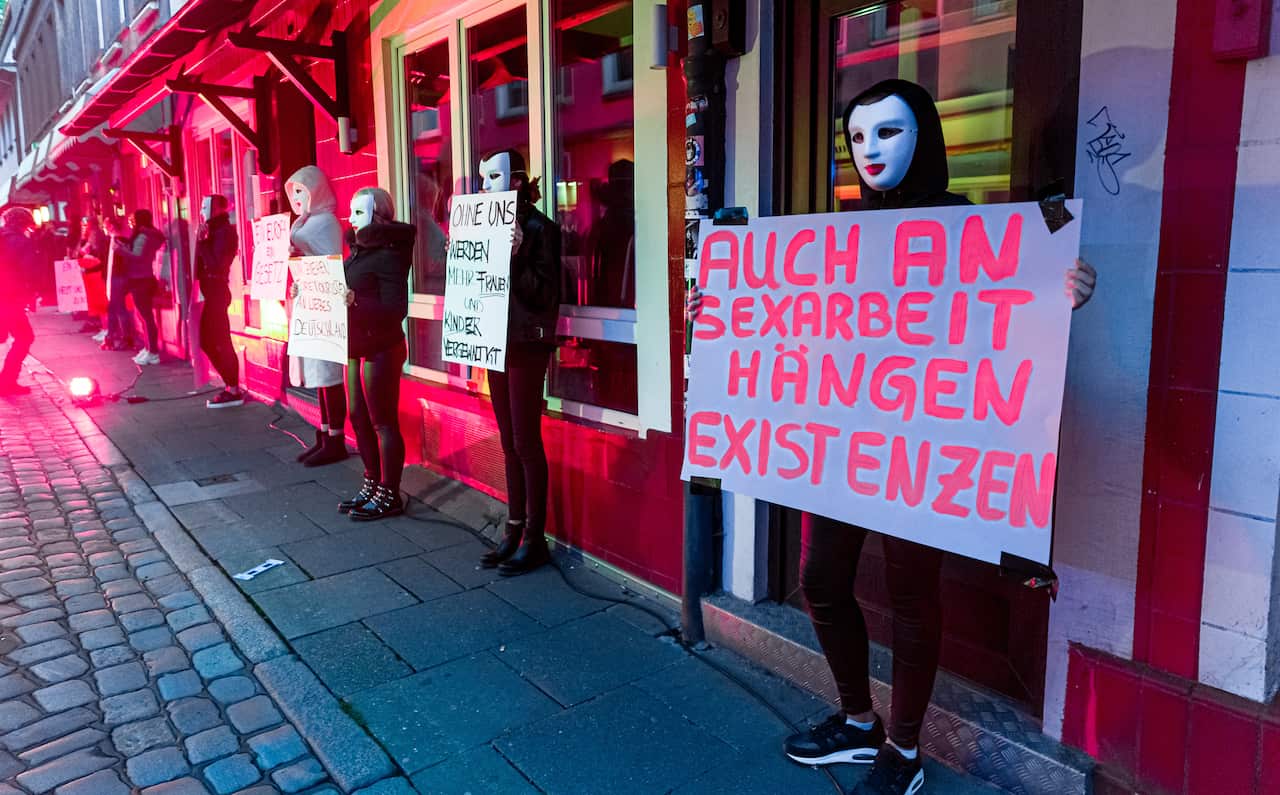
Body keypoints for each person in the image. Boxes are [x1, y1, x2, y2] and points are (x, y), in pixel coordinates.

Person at [686, 80, 1096, 795]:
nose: (870, 151)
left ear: (926, 138)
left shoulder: (965, 231)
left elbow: (1003, 332)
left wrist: (1059, 295)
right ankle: (857, 719)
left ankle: (902, 750)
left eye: (889, 133)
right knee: (819, 579)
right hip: (847, 444)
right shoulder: (839, 235)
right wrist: (720, 302)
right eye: (858, 138)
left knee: (912, 596)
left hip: (920, 449)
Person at [473, 149, 563, 577]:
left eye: (494, 178)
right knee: (508, 439)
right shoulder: (487, 225)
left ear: (515, 180)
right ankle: (514, 526)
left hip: (526, 343)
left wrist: (516, 256)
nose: (486, 186)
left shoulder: (540, 229)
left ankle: (534, 536)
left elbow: (543, 297)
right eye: (483, 178)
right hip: (496, 340)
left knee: (526, 440)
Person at [336, 187, 415, 521]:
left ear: (378, 215)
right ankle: (371, 482)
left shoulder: (391, 252)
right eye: (351, 212)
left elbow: (395, 308)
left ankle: (390, 492)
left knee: (383, 421)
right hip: (355, 344)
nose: (352, 220)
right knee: (357, 415)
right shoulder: (357, 250)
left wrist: (356, 302)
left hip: (381, 346)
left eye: (359, 213)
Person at [285, 167, 347, 462]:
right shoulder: (305, 221)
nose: (297, 197)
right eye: (294, 191)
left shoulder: (325, 222)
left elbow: (328, 260)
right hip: (309, 303)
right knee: (318, 376)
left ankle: (335, 438)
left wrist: (299, 251)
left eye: (303, 190)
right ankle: (323, 434)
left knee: (328, 375)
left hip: (325, 306)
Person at [196, 195, 244, 408]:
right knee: (208, 340)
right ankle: (230, 385)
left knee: (220, 341)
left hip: (217, 291)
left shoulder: (225, 232)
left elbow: (216, 265)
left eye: (207, 206)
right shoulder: (213, 230)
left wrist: (203, 244)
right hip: (209, 291)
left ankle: (233, 388)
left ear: (217, 209)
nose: (203, 210)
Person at [113, 209, 166, 366]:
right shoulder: (149, 235)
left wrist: (120, 250)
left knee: (146, 317)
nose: (132, 222)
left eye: (134, 219)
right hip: (145, 278)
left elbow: (137, 256)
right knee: (145, 317)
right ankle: (149, 348)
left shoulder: (143, 235)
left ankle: (153, 351)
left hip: (140, 279)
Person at [0, 207, 38, 396]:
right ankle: (6, 381)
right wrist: (32, 294)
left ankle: (6, 381)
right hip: (11, 298)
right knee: (24, 337)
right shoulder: (22, 242)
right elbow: (29, 271)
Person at [79, 216, 110, 339]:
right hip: (95, 270)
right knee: (99, 304)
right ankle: (104, 328)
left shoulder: (95, 234)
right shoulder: (94, 234)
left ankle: (106, 328)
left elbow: (86, 250)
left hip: (96, 270)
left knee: (101, 303)